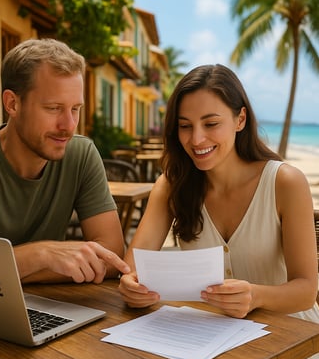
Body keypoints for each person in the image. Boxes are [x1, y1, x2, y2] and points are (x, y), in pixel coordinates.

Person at [119, 64, 319, 323]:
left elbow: (306, 291)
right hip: (215, 337)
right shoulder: (171, 185)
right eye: (185, 126)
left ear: (240, 120)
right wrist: (131, 286)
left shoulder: (285, 183)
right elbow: (132, 269)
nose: (197, 139)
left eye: (211, 123)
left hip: (295, 336)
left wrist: (256, 296)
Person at [0, 38, 130, 284]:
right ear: (12, 103)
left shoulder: (81, 154)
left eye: (75, 109)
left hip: (51, 306)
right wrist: (40, 255)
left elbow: (113, 256)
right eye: (53, 108)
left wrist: (2, 271)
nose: (68, 126)